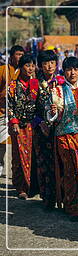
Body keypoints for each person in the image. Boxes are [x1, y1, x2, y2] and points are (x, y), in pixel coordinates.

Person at [47, 56, 78, 222]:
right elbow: (50, 115)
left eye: (75, 69)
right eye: (68, 69)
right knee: (71, 169)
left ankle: (73, 201)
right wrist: (52, 112)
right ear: (64, 71)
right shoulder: (57, 90)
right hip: (64, 135)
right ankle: (73, 206)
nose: (72, 73)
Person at [35, 50, 63, 209]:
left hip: (59, 128)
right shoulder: (35, 83)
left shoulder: (61, 81)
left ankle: (62, 197)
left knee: (59, 163)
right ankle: (47, 198)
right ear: (40, 66)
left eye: (52, 62)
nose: (49, 66)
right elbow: (30, 108)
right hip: (41, 129)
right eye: (46, 63)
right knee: (44, 164)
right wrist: (41, 123)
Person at [8, 54, 39, 199]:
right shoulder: (13, 86)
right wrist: (13, 122)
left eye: (32, 66)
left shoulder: (37, 84)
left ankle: (31, 186)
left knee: (33, 156)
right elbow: (10, 105)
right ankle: (21, 187)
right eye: (27, 65)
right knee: (19, 156)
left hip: (33, 126)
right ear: (21, 67)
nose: (30, 69)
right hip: (18, 127)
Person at [0, 45, 24, 176]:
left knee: (19, 146)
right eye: (17, 54)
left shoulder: (26, 71)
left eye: (22, 54)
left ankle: (19, 174)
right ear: (11, 55)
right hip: (3, 113)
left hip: (20, 115)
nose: (19, 57)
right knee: (1, 144)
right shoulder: (2, 70)